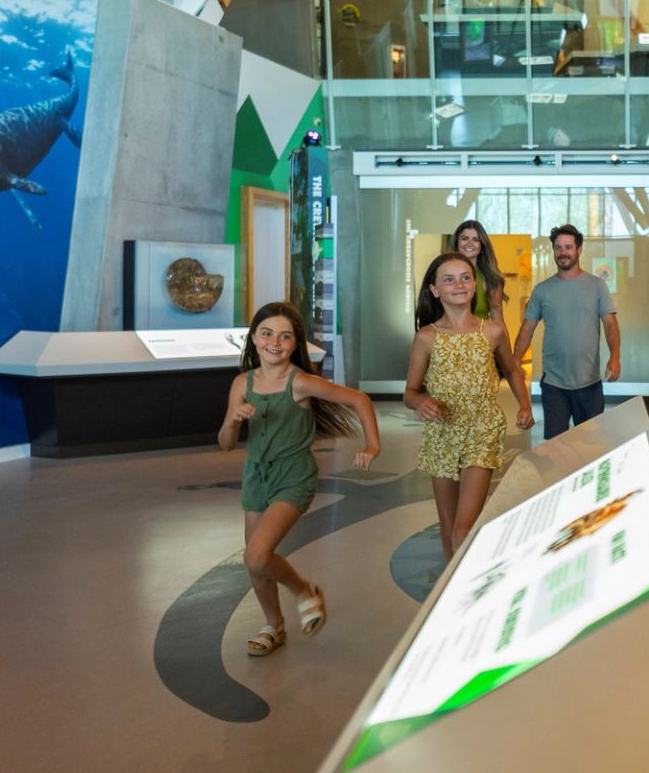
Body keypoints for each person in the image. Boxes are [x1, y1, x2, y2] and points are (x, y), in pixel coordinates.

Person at [218, 300, 381, 658]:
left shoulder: (301, 382)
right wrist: (233, 419)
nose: (274, 341)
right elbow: (227, 444)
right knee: (255, 561)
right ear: (254, 338)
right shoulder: (241, 384)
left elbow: (360, 400)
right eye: (266, 333)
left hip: (293, 477)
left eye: (285, 336)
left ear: (295, 344)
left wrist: (372, 446)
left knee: (258, 555)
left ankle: (305, 590)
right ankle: (273, 625)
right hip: (256, 477)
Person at [405, 252, 534, 559]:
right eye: (448, 279)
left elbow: (513, 370)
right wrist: (420, 400)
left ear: (474, 285)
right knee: (448, 529)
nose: (459, 284)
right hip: (442, 433)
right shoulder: (426, 337)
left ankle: (464, 596)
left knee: (464, 529)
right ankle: (449, 593)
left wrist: (525, 405)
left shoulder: (492, 331)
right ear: (435, 290)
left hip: (482, 428)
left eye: (465, 277)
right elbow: (409, 391)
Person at [515, 225, 620, 439]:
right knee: (555, 449)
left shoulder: (597, 286)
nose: (563, 252)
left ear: (579, 250)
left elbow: (610, 324)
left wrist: (615, 357)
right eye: (558, 248)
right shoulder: (542, 290)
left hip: (589, 384)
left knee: (589, 446)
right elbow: (527, 328)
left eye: (568, 247)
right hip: (554, 385)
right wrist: (515, 361)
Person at [451, 218, 507, 321]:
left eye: (476, 240)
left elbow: (498, 320)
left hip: (482, 336)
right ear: (456, 243)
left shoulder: (491, 278)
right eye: (464, 238)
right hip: (448, 336)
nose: (469, 243)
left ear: (482, 245)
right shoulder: (442, 273)